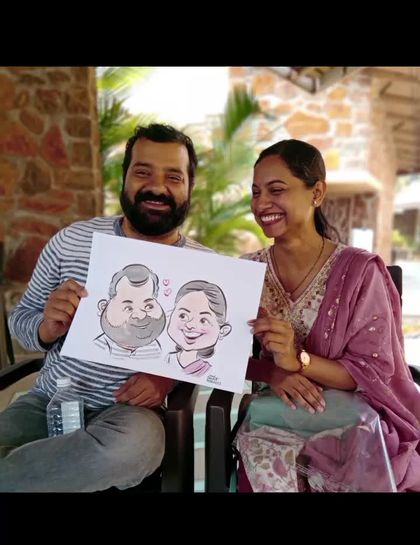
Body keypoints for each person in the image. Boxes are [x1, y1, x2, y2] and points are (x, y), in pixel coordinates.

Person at [0, 123, 212, 492]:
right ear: (125, 178)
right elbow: (20, 320)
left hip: (130, 415)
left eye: (173, 177)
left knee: (135, 447)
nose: (157, 187)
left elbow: (211, 352)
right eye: (143, 172)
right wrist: (46, 328)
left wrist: (167, 378)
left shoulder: (206, 269)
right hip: (50, 398)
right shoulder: (72, 241)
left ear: (190, 187)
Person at [235, 139, 420, 492]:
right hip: (273, 417)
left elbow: (369, 373)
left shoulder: (359, 273)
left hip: (349, 422)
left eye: (276, 190)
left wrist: (297, 359)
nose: (261, 203)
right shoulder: (246, 272)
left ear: (317, 193)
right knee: (264, 449)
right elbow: (218, 355)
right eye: (256, 192)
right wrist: (272, 372)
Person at [94, 264, 165, 359]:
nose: (140, 315)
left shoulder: (155, 348)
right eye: (128, 308)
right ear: (103, 307)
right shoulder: (99, 346)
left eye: (149, 306)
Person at [166, 280, 232, 377]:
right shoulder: (163, 359)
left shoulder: (211, 373)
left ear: (222, 331)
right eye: (183, 316)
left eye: (203, 320)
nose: (190, 325)